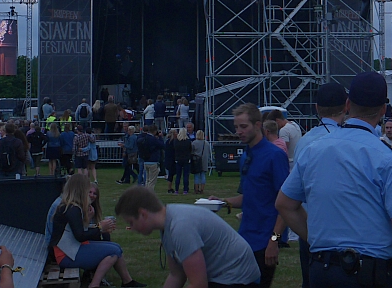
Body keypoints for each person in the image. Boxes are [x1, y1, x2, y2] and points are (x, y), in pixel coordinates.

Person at [276, 71, 392, 288]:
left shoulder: (314, 149)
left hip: (322, 269)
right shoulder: (388, 158)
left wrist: (317, 240)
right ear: (383, 110)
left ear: (348, 105)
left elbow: (284, 203)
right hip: (369, 272)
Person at [210, 103, 289, 288]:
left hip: (264, 241)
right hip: (244, 238)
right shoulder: (246, 156)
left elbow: (286, 203)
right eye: (236, 127)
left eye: (243, 126)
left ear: (258, 125)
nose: (239, 131)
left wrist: (274, 240)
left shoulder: (275, 156)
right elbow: (251, 196)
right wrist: (224, 202)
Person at [116, 186, 260, 288]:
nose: (132, 228)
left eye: (131, 222)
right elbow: (176, 275)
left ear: (143, 214)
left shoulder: (180, 227)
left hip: (237, 279)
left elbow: (199, 284)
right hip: (224, 277)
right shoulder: (167, 223)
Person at [289, 81, 347, 288]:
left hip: (310, 228)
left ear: (316, 108)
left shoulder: (305, 142)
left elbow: (291, 195)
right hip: (341, 230)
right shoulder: (348, 140)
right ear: (346, 106)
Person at [48, 174, 145, 288]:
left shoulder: (69, 206)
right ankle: (94, 284)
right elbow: (80, 236)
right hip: (66, 255)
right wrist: (100, 228)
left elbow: (75, 231)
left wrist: (89, 220)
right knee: (114, 251)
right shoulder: (72, 209)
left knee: (116, 247)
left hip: (70, 250)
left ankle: (127, 282)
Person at [137, 124, 165, 192]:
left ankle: (145, 192)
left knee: (147, 180)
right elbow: (162, 145)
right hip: (153, 161)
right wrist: (160, 137)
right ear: (155, 131)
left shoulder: (145, 137)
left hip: (146, 160)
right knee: (152, 181)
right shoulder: (153, 139)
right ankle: (149, 194)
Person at [191, 129, 211, 195]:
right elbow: (209, 152)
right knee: (203, 175)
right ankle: (202, 189)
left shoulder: (194, 143)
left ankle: (196, 189)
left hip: (196, 161)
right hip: (204, 161)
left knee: (196, 176)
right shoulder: (207, 143)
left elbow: (192, 152)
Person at [174, 127, 193, 194]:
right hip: (186, 159)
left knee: (178, 175)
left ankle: (176, 189)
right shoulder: (188, 141)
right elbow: (190, 150)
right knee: (185, 175)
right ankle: (185, 189)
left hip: (178, 159)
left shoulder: (176, 141)